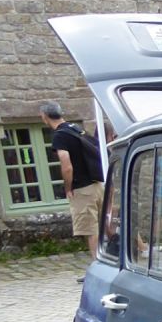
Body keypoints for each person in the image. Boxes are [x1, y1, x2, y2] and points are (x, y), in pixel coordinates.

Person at [39, 101, 103, 262]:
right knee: (105, 226)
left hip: (83, 188)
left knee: (91, 230)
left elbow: (66, 165)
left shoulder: (60, 135)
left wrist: (68, 187)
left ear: (45, 117)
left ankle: (97, 267)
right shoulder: (75, 128)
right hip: (97, 184)